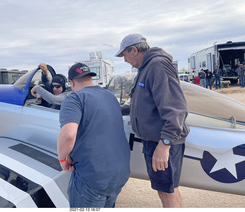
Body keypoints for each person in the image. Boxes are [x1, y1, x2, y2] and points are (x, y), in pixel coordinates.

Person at [115, 34, 189, 208]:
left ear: (133, 50)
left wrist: (164, 144)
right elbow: (139, 105)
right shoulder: (146, 68)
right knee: (168, 189)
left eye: (124, 55)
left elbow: (176, 108)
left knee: (167, 191)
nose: (124, 60)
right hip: (156, 140)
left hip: (161, 142)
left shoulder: (157, 65)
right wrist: (111, 109)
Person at [57, 62, 130, 208]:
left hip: (93, 178)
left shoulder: (74, 99)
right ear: (90, 78)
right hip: (119, 174)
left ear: (71, 82)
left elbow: (68, 136)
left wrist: (63, 158)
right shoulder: (110, 96)